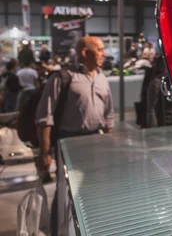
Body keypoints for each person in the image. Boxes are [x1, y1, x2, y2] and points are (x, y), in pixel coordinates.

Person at [36, 36, 114, 234]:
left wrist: (109, 144)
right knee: (66, 191)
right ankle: (58, 230)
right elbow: (45, 117)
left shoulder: (102, 78)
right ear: (84, 53)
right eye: (99, 49)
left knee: (94, 187)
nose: (103, 53)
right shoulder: (62, 78)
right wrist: (45, 153)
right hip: (68, 141)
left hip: (97, 141)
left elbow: (109, 115)